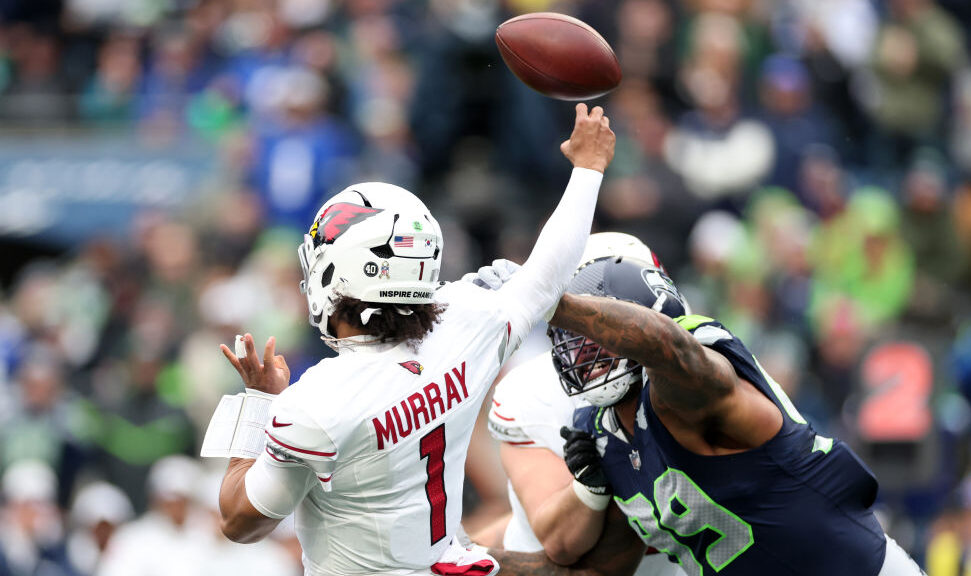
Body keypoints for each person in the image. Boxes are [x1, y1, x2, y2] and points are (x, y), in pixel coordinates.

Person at [210, 103, 616, 576]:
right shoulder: (469, 325)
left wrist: (260, 402)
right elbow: (547, 275)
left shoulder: (317, 403)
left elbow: (241, 522)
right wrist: (588, 169)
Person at [479, 256, 926, 575]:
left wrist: (557, 302)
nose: (578, 353)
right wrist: (467, 558)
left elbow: (667, 346)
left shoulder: (690, 382)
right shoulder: (605, 438)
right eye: (569, 340)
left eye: (590, 338)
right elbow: (596, 572)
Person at [482, 232, 685, 576]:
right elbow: (558, 543)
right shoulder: (531, 392)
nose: (596, 342)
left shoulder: (689, 379)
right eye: (585, 322)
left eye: (615, 315)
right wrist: (590, 486)